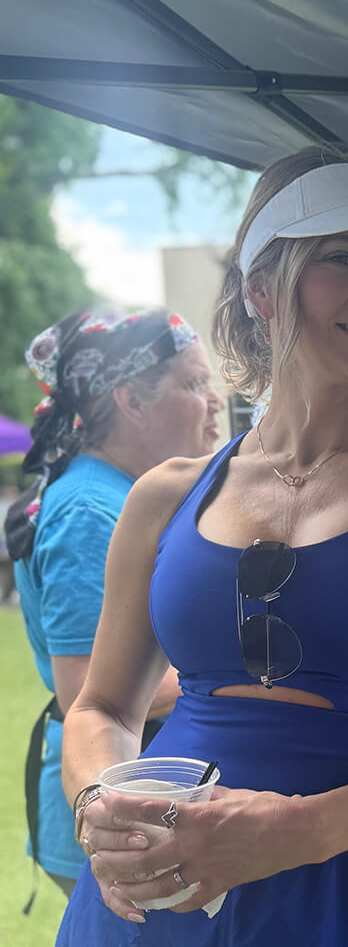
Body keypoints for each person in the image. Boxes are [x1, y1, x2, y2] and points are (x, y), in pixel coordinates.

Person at [57, 147, 348, 944]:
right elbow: (100, 705)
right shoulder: (163, 496)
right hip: (162, 900)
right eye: (342, 258)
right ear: (262, 288)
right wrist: (102, 806)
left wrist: (288, 834)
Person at [3, 308, 223, 902]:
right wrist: (243, 669)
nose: (215, 402)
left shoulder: (119, 495)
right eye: (195, 383)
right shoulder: (88, 510)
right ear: (132, 399)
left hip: (136, 791)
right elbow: (86, 692)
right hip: (110, 801)